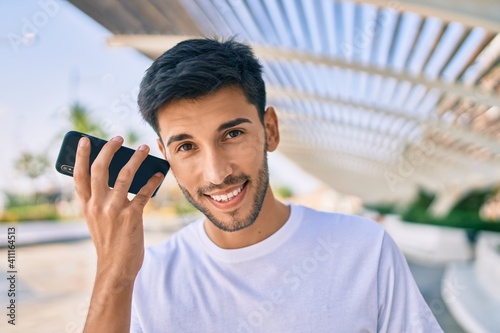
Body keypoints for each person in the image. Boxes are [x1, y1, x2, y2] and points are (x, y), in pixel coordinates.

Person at [74, 38, 443, 333]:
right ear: (165, 156)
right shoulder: (145, 277)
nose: (217, 174)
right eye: (186, 147)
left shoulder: (364, 250)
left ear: (270, 129)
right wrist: (114, 274)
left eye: (232, 134)